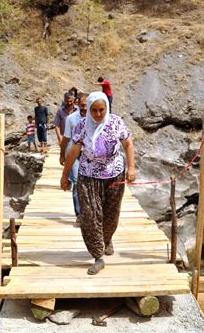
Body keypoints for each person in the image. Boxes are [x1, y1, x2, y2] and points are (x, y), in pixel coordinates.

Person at [60, 92, 136, 275]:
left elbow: (128, 144)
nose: (98, 114)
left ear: (107, 108)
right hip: (88, 175)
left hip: (114, 174)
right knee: (91, 215)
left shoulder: (116, 122)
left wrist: (131, 167)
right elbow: (73, 151)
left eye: (101, 110)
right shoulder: (81, 126)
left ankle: (107, 238)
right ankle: (97, 256)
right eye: (94, 110)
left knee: (111, 214)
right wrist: (64, 175)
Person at [60, 93, 88, 222]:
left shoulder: (94, 117)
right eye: (82, 105)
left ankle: (89, 211)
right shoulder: (71, 119)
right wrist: (62, 155)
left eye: (87, 106)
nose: (85, 108)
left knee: (88, 183)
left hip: (89, 155)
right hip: (74, 154)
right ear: (77, 104)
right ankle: (79, 214)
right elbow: (65, 139)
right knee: (77, 182)